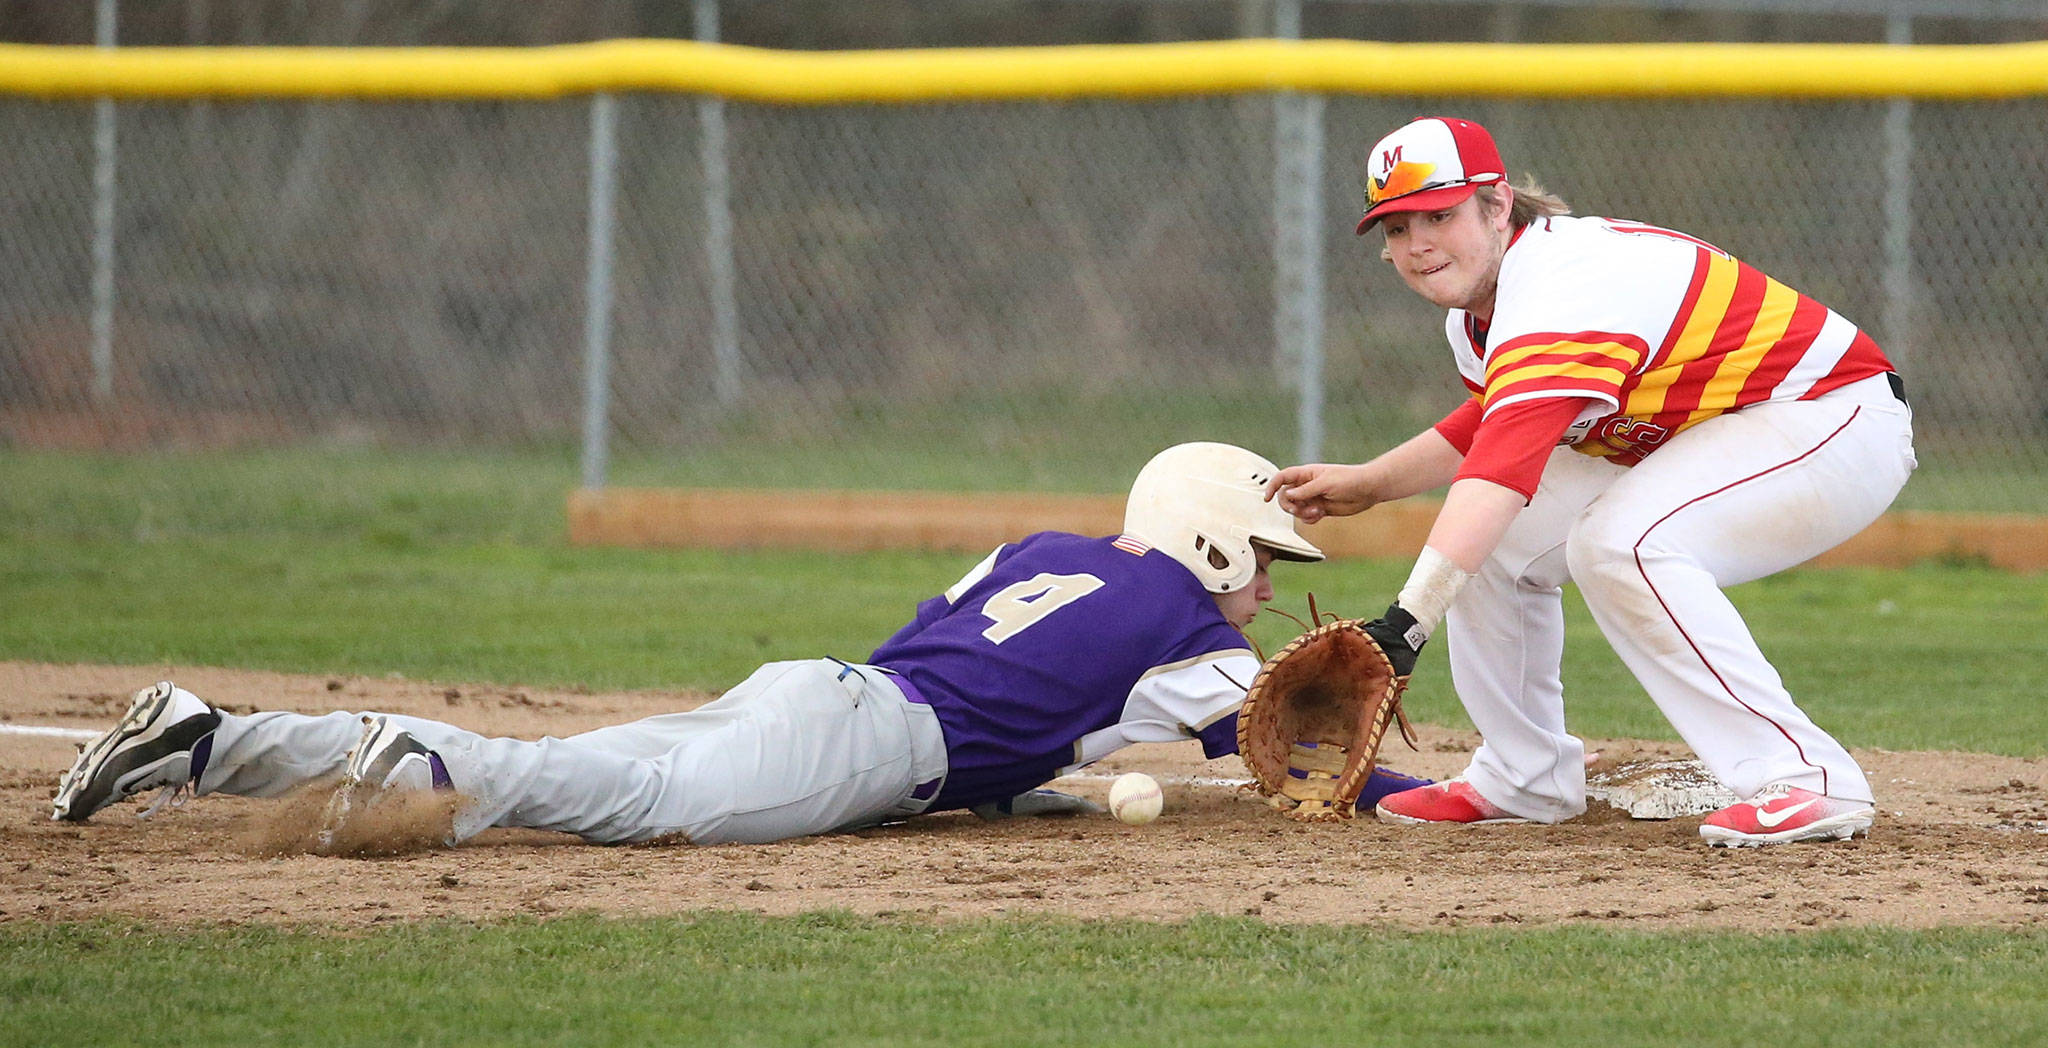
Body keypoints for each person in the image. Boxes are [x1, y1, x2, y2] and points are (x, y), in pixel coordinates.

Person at [51, 441, 1430, 846]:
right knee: (603, 795)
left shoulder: (1043, 552)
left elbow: (973, 678)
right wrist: (1412, 793)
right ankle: (401, 766)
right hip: (864, 740)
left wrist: (1020, 785)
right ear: (1205, 542)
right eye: (1259, 562)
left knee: (600, 766)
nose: (1261, 595)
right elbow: (1281, 747)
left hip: (825, 691)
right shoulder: (1186, 627)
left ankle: (210, 738)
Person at [1265, 117, 1916, 848]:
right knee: (1494, 542)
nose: (1417, 244)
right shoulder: (1485, 313)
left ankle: (1807, 780)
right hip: (1715, 430)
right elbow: (1494, 423)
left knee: (1623, 545)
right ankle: (1525, 775)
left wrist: (1402, 626)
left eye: (1440, 215)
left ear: (1498, 204)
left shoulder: (1562, 286)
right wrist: (1376, 481)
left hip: (1827, 416)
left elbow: (1501, 469)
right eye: (1395, 228)